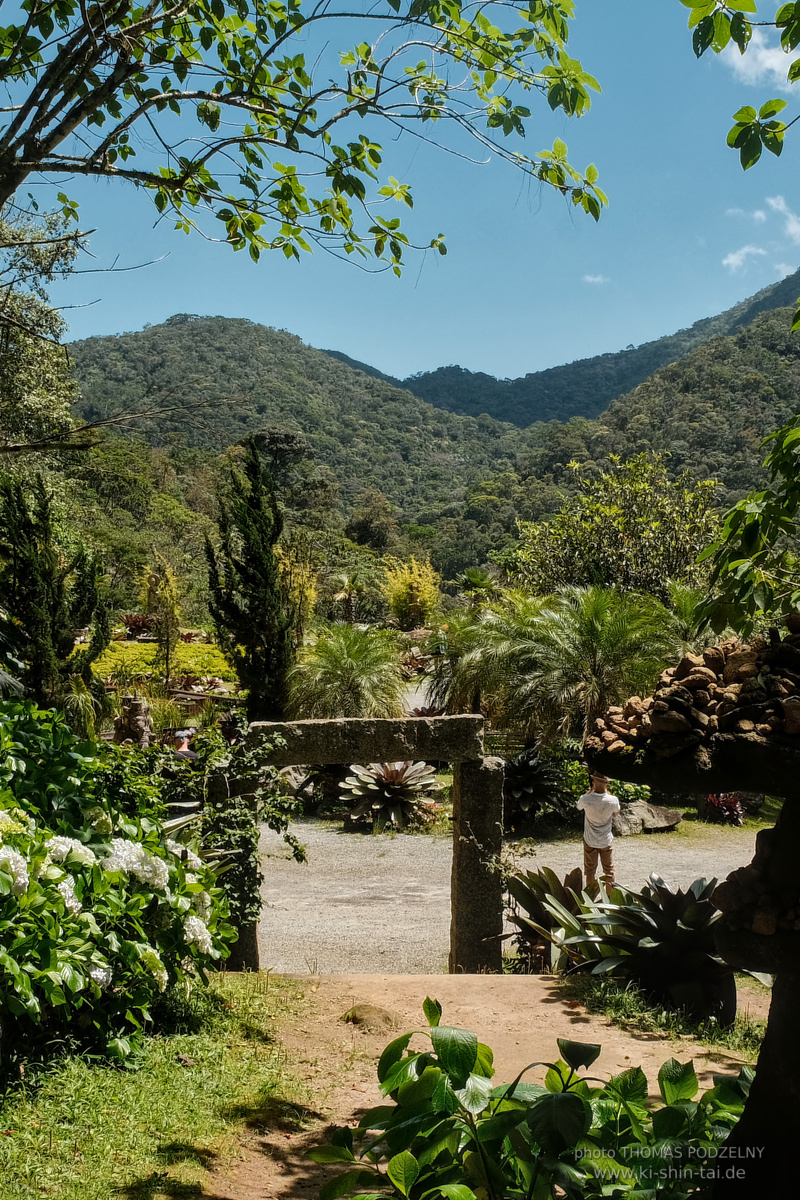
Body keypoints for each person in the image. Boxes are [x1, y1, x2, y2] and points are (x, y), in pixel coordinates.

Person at [577, 771, 620, 893]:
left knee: (590, 872)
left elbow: (578, 807)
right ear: (606, 783)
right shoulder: (613, 800)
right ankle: (610, 898)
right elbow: (617, 811)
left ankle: (591, 897)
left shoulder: (585, 799)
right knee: (609, 871)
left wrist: (590, 791)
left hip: (590, 839)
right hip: (605, 840)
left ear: (593, 781)